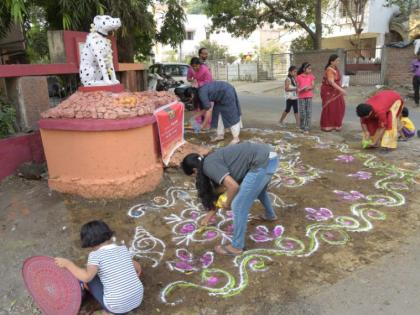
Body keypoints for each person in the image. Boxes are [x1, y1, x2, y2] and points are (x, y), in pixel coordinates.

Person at [181, 142, 279, 256]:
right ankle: (270, 215)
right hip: (271, 157)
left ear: (194, 170)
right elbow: (221, 195)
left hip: (261, 162)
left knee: (237, 205)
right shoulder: (211, 160)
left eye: (193, 176)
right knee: (259, 190)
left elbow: (233, 186)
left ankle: (236, 247)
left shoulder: (209, 167)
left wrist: (228, 203)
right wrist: (208, 218)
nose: (195, 178)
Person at [55, 220, 143, 315]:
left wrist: (68, 264)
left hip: (117, 307)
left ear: (89, 243)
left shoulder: (95, 255)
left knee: (88, 278)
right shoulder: (122, 249)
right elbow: (137, 267)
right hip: (137, 299)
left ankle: (107, 312)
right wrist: (136, 273)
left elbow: (86, 277)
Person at [320, 54, 347, 131]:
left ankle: (336, 124)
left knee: (339, 107)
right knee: (330, 108)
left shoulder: (335, 68)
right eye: (337, 61)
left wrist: (342, 85)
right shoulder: (329, 70)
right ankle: (327, 125)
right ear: (331, 62)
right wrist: (341, 90)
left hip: (336, 90)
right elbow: (331, 82)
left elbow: (337, 80)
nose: (338, 62)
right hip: (329, 91)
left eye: (339, 60)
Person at [296, 62, 316, 133]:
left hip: (309, 96)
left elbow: (313, 86)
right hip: (301, 97)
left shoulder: (311, 76)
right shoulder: (298, 77)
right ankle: (302, 126)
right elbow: (297, 87)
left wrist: (309, 88)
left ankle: (307, 127)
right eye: (309, 69)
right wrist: (299, 89)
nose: (310, 70)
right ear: (304, 69)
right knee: (302, 112)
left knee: (308, 112)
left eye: (311, 69)